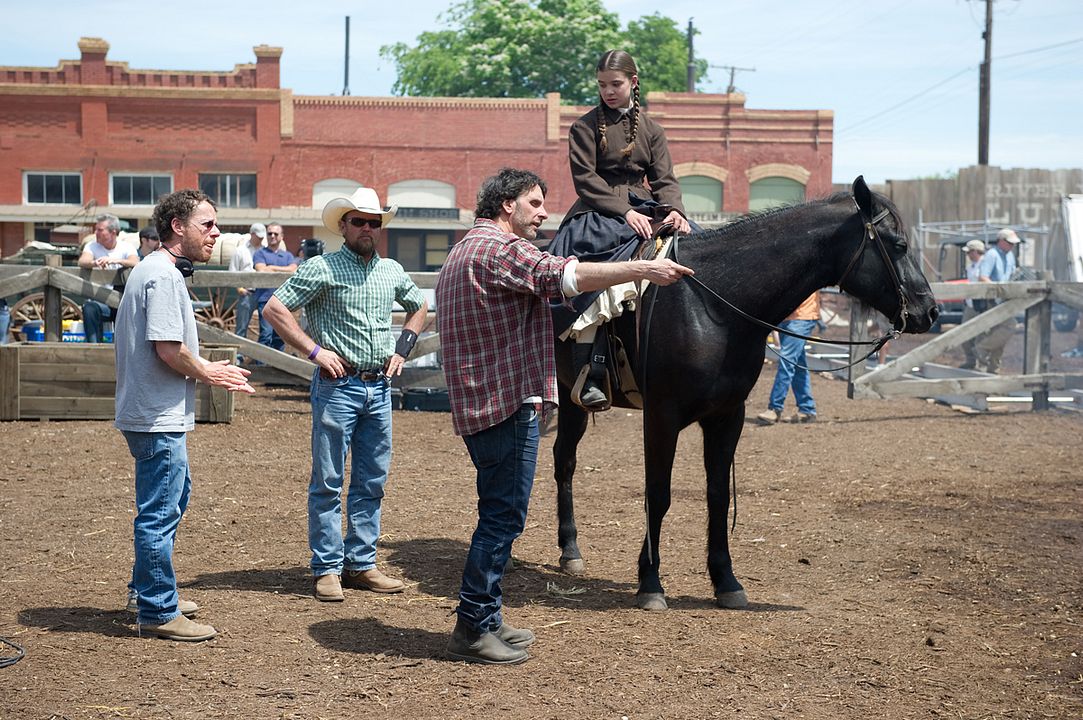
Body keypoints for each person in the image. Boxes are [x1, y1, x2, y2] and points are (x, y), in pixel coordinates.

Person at [436, 168, 693, 664]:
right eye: (534, 203)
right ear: (507, 204)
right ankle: (471, 627)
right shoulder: (500, 249)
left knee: (497, 514)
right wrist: (642, 269)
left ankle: (486, 617)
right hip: (506, 402)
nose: (543, 213)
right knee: (501, 519)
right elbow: (566, 276)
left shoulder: (466, 248)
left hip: (483, 401)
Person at [262, 188, 428, 603]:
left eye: (374, 222)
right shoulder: (322, 268)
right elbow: (275, 309)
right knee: (329, 480)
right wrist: (315, 352)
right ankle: (327, 568)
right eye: (359, 221)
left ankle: (361, 564)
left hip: (379, 386)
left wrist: (402, 349)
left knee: (372, 480)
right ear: (343, 226)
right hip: (338, 385)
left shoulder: (391, 270)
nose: (367, 228)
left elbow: (419, 306)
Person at [114, 189, 254, 641]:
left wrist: (207, 369)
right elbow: (168, 350)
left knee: (172, 499)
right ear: (178, 227)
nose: (216, 233)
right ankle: (157, 609)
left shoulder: (153, 269)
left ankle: (147, 590)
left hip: (152, 412)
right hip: (157, 416)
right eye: (207, 224)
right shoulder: (163, 276)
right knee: (159, 511)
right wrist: (211, 372)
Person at [548, 49, 692, 411]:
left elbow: (665, 180)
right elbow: (585, 180)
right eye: (602, 85)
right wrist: (624, 211)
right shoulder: (583, 127)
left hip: (647, 207)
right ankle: (588, 370)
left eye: (615, 84)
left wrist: (676, 211)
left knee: (695, 247)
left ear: (633, 82)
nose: (608, 91)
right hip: (597, 213)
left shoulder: (652, 130)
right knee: (593, 273)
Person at [756, 291, 820, 425]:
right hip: (789, 318)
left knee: (787, 362)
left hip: (801, 317)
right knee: (798, 365)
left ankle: (775, 408)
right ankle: (807, 409)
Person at [79, 214, 138, 343]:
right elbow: (83, 261)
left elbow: (135, 262)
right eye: (96, 229)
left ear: (113, 232)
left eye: (100, 230)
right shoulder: (91, 246)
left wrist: (115, 260)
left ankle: (122, 349)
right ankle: (94, 348)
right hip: (100, 302)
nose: (96, 233)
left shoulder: (126, 247)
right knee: (89, 308)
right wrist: (95, 263)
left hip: (122, 302)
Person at [975, 228, 1020, 373]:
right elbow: (983, 277)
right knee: (1009, 326)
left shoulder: (1010, 256)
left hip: (1005, 299)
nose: (1012, 246)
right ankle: (981, 349)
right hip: (994, 300)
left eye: (1013, 243)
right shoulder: (992, 254)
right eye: (1009, 243)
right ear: (1001, 241)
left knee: (999, 332)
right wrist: (999, 291)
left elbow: (1012, 275)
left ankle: (993, 366)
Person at [252, 222, 296, 350]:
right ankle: (260, 363)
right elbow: (261, 269)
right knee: (266, 335)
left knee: (280, 336)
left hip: (284, 301)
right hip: (265, 299)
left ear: (281, 236)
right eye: (269, 233)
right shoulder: (260, 253)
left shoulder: (287, 255)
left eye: (276, 234)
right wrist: (284, 269)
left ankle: (278, 363)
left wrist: (271, 267)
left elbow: (294, 269)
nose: (272, 236)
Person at [228, 223, 267, 341]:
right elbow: (233, 271)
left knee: (266, 330)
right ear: (252, 234)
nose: (261, 239)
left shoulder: (265, 251)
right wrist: (239, 289)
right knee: (241, 327)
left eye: (262, 236)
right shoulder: (240, 251)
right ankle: (240, 352)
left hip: (264, 293)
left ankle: (262, 352)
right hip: (247, 292)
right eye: (258, 236)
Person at [959, 238, 987, 370]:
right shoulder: (970, 267)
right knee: (964, 334)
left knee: (981, 336)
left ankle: (982, 364)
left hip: (982, 305)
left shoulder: (985, 264)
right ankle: (971, 360)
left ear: (975, 251)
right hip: (970, 305)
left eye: (969, 252)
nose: (968, 255)